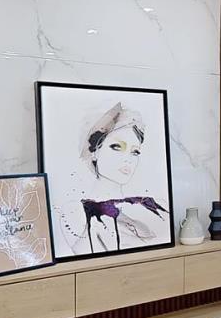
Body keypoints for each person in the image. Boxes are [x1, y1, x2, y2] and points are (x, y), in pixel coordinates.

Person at [53, 103, 168, 254]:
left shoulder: (153, 205)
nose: (128, 159)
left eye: (135, 152)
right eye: (116, 147)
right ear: (95, 151)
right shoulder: (76, 212)